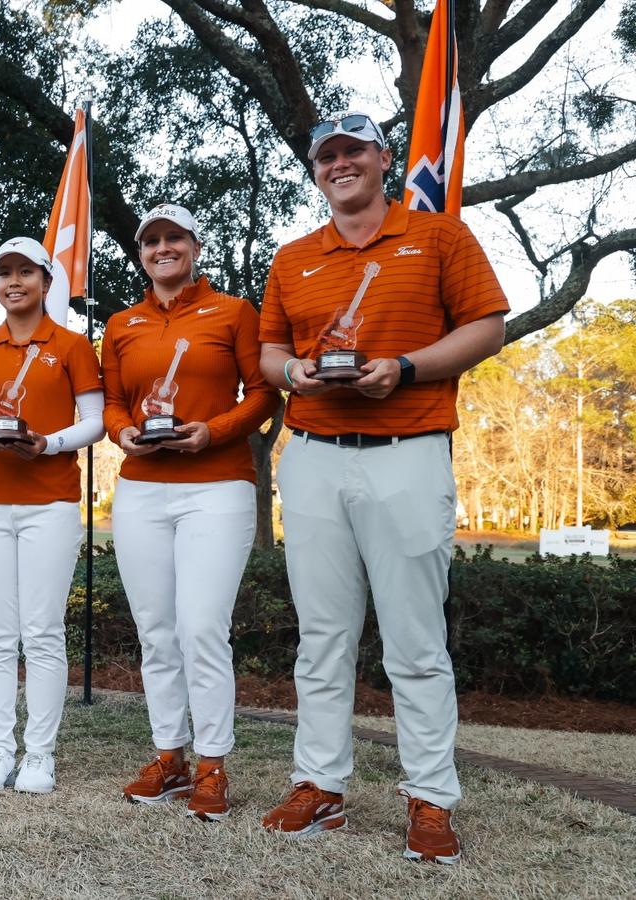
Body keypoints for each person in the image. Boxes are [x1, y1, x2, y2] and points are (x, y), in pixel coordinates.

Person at [255, 112, 507, 864]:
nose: (340, 164)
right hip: (314, 454)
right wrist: (293, 372)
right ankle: (320, 784)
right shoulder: (293, 255)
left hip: (407, 448)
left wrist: (404, 368)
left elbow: (488, 326)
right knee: (323, 637)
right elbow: (270, 352)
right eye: (326, 156)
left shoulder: (439, 236)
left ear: (382, 158)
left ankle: (430, 798)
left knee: (416, 642)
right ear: (315, 171)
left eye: (353, 151)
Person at [101, 204, 279, 820]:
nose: (162, 248)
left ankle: (212, 765)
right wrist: (122, 433)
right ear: (141, 253)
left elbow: (263, 393)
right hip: (144, 487)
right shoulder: (122, 323)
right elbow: (114, 402)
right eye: (151, 241)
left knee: (201, 627)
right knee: (156, 631)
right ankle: (169, 756)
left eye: (174, 237)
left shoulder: (233, 311)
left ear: (195, 246)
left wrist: (214, 430)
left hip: (216, 483)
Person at [0, 237, 104, 794]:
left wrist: (50, 443)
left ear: (45, 282)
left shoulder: (72, 344)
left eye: (25, 272)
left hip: (51, 499)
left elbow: (94, 421)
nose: (13, 282)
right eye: (4, 274)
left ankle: (38, 754)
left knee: (40, 632)